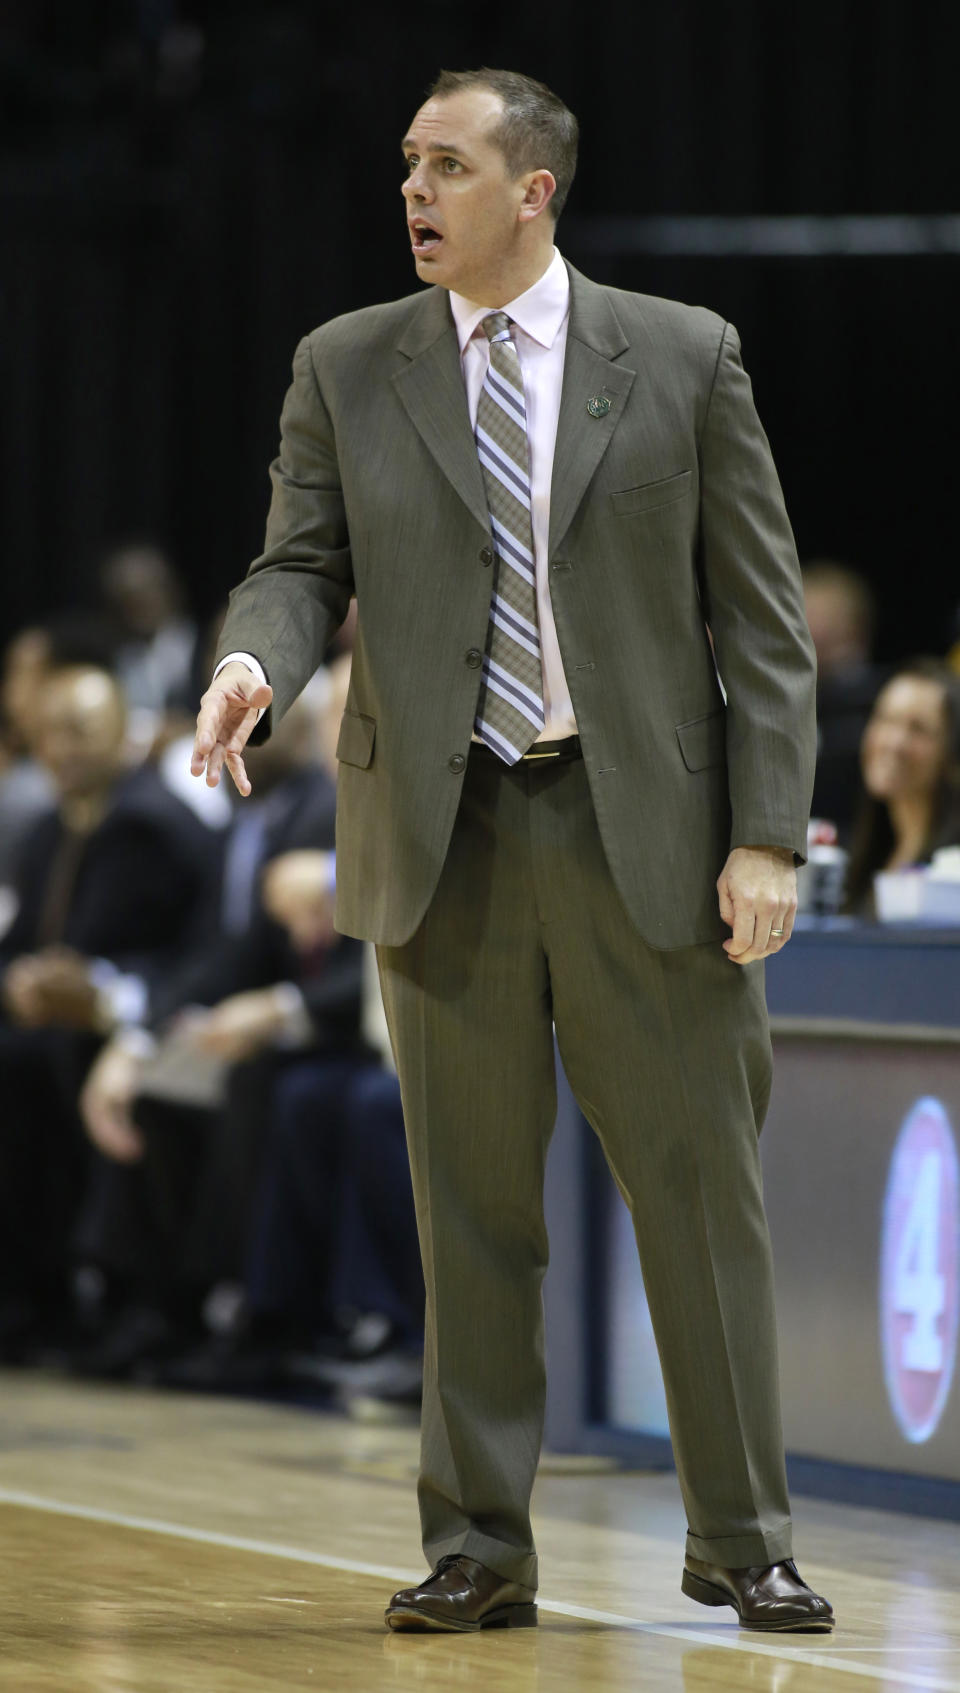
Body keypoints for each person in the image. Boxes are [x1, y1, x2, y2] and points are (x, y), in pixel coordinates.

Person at [191, 69, 832, 1634]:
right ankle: (479, 1544)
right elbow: (295, 561)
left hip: (648, 835)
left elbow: (763, 621)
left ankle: (744, 1539)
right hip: (446, 829)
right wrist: (250, 661)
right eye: (408, 164)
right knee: (467, 1212)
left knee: (700, 1198)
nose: (414, 190)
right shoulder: (347, 364)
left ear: (533, 188)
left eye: (449, 165)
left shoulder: (680, 356)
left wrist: (765, 838)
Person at [844, 659, 960, 913]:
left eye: (917, 729)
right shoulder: (861, 860)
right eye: (885, 719)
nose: (894, 742)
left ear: (950, 753)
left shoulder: (952, 874)